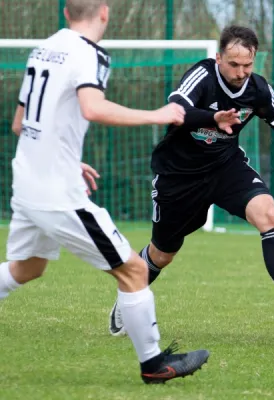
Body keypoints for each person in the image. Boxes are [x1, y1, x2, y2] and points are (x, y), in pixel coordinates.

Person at [0, 0, 209, 383]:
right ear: (105, 12)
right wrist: (158, 114)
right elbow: (93, 108)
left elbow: (20, 123)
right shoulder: (89, 53)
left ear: (66, 13)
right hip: (57, 194)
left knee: (28, 268)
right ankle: (154, 365)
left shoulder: (42, 49)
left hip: (27, 182)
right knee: (132, 269)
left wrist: (66, 156)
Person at [108, 25, 274, 338]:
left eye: (247, 65)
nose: (241, 72)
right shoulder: (202, 76)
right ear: (218, 58)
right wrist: (212, 118)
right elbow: (176, 111)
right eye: (233, 64)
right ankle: (129, 292)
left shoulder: (258, 89)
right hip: (179, 175)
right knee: (163, 253)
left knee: (268, 213)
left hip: (225, 168)